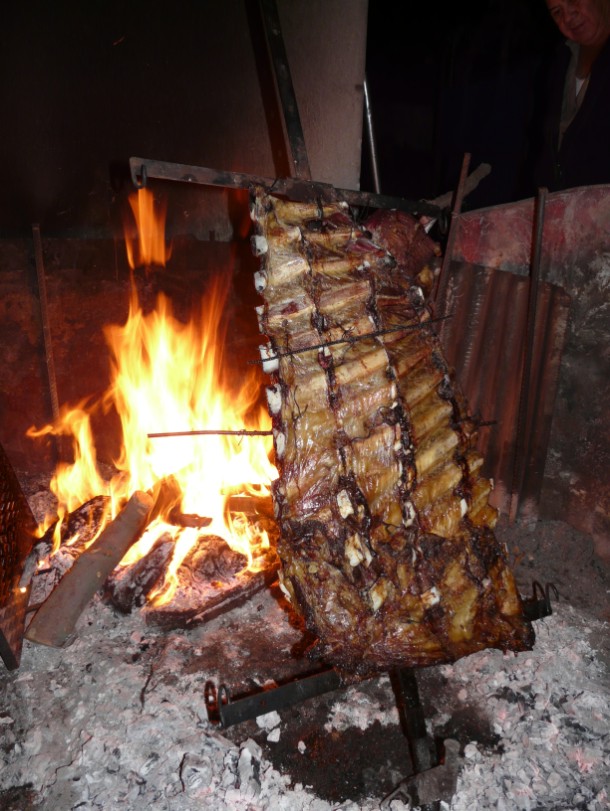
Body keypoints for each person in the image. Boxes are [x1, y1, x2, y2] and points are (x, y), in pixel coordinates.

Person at [526, 0, 610, 192]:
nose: (568, 17)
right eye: (557, 12)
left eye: (573, 1)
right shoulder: (561, 59)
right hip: (564, 210)